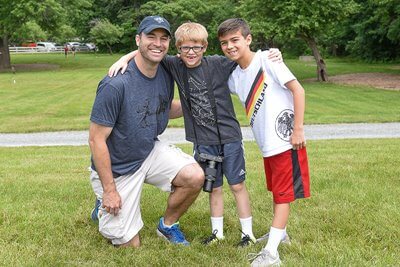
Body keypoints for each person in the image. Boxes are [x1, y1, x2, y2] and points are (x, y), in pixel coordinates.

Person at [108, 22, 282, 247]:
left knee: (237, 185)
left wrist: (270, 53)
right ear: (178, 50)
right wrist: (124, 59)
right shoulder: (174, 65)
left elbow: (245, 55)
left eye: (197, 48)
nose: (191, 53)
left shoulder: (219, 64)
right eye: (185, 48)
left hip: (229, 137)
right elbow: (149, 51)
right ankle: (217, 233)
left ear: (205, 47)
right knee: (214, 187)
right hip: (203, 142)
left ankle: (247, 234)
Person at [88, 15, 204, 248]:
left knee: (195, 176)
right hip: (118, 167)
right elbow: (96, 140)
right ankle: (103, 200)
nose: (158, 43)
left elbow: (160, 107)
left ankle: (168, 225)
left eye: (163, 38)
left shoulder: (166, 70)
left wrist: (194, 104)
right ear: (138, 39)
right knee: (130, 246)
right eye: (151, 36)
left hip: (148, 150)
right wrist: (111, 190)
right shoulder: (116, 84)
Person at [217, 18, 310, 266]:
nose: (230, 46)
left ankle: (271, 253)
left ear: (248, 39)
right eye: (224, 43)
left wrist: (298, 129)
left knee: (283, 195)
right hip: (267, 144)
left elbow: (298, 90)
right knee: (277, 190)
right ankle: (281, 233)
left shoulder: (268, 60)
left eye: (235, 40)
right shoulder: (236, 76)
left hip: (286, 141)